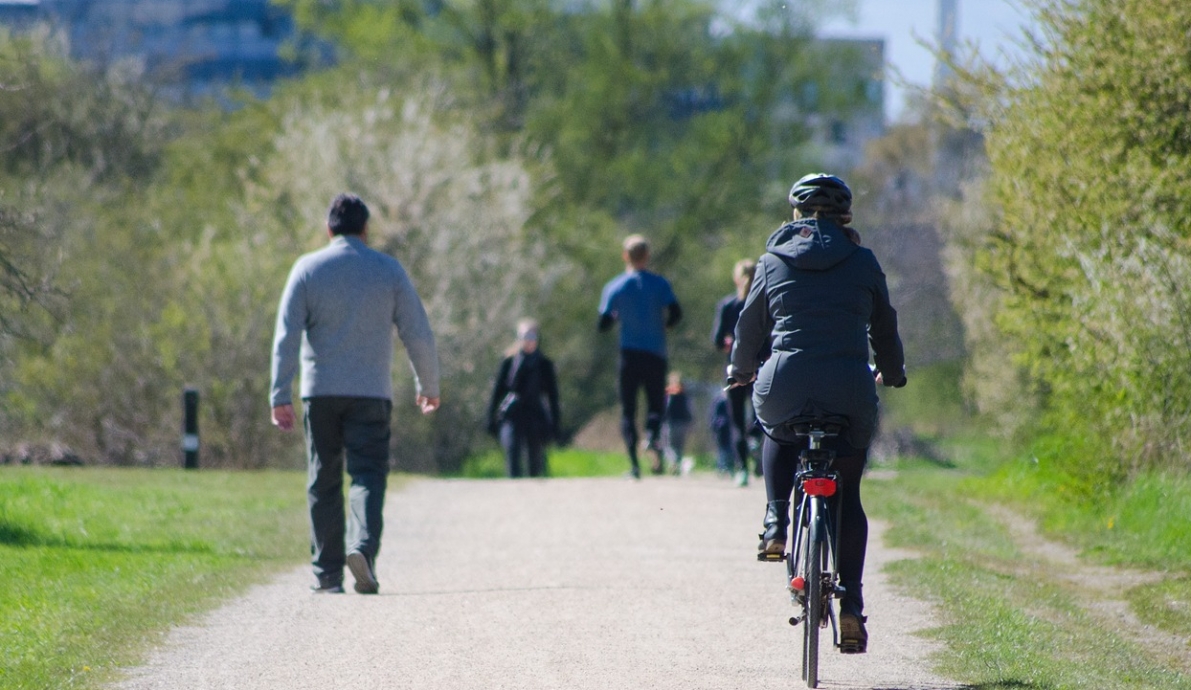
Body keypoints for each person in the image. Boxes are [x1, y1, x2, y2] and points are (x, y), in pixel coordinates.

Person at [728, 173, 906, 653]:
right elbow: (884, 328)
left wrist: (740, 371)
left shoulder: (770, 261)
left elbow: (748, 328)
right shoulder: (863, 261)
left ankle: (775, 521)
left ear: (795, 214)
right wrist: (892, 372)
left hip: (785, 383)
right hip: (849, 389)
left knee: (776, 429)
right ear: (846, 217)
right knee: (849, 495)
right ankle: (851, 605)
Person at [270, 193, 441, 595]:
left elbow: (286, 336)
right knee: (367, 475)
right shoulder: (388, 270)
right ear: (366, 230)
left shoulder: (307, 269)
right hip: (371, 393)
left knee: (323, 478)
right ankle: (362, 549)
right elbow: (417, 331)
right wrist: (428, 385)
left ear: (328, 229)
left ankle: (327, 574)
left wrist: (280, 394)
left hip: (321, 392)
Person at [598, 234, 682, 478]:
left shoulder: (615, 287)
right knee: (656, 403)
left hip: (629, 354)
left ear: (625, 256)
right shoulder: (660, 284)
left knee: (628, 409)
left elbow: (602, 323)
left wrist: (617, 316)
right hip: (655, 352)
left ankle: (634, 465)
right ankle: (652, 434)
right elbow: (676, 313)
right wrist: (663, 325)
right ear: (647, 256)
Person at [486, 319, 561, 478]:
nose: (528, 341)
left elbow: (553, 396)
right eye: (524, 336)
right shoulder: (508, 362)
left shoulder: (544, 364)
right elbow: (497, 391)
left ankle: (532, 494)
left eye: (532, 336)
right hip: (512, 413)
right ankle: (513, 492)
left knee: (535, 458)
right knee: (512, 450)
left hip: (535, 414)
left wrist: (555, 423)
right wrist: (490, 417)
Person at [711, 258, 763, 487]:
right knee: (760, 413)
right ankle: (756, 440)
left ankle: (742, 469)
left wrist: (728, 343)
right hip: (761, 367)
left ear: (736, 278)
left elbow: (717, 340)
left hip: (734, 368)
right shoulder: (764, 303)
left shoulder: (728, 305)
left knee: (736, 422)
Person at [662, 371, 693, 474]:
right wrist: (690, 421)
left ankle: (675, 462)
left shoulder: (668, 393)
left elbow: (665, 408)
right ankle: (678, 466)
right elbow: (688, 409)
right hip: (682, 423)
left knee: (669, 446)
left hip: (671, 423)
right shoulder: (684, 394)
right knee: (679, 446)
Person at [708, 390, 735, 476]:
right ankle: (723, 467)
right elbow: (713, 418)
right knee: (723, 450)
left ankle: (726, 468)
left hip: (728, 431)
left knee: (726, 449)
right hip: (722, 431)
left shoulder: (727, 402)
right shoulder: (720, 402)